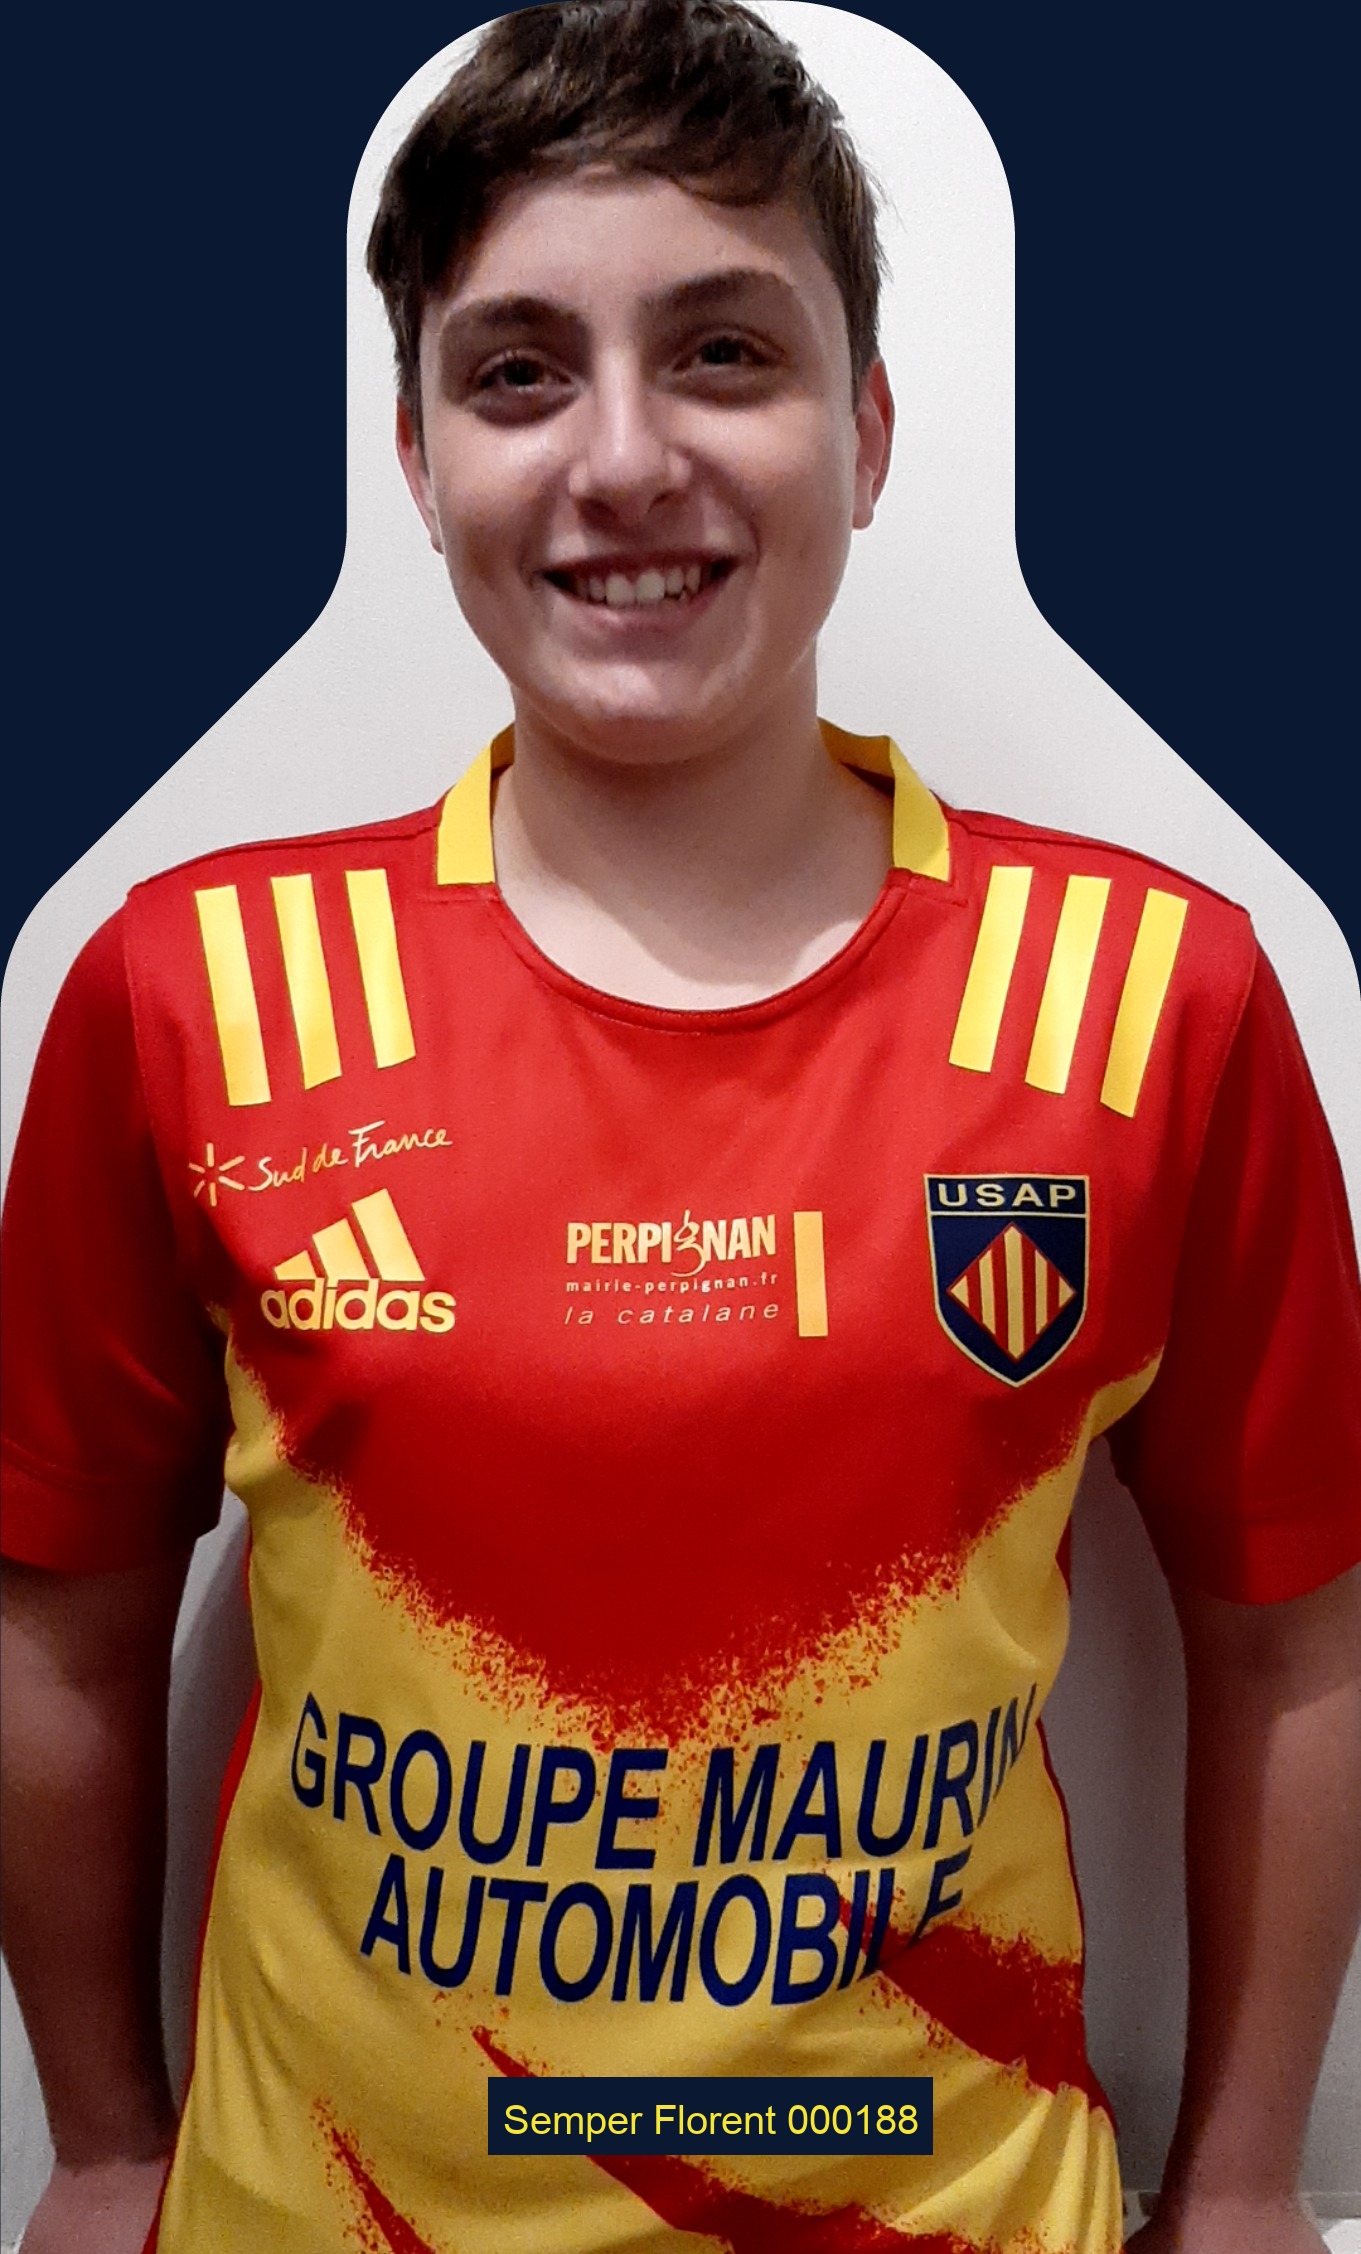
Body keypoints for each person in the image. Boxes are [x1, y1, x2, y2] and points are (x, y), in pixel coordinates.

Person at [3, 2, 1359, 2249]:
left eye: (724, 352)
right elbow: (59, 1629)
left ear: (870, 427)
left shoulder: (1151, 997)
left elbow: (1296, 1640)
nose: (624, 459)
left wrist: (1234, 2178)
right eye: (519, 372)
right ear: (418, 458)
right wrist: (100, 2133)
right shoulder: (193, 995)